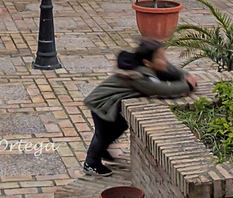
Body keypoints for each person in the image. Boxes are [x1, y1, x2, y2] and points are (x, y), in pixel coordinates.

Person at [81, 39, 197, 176]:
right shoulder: (138, 77)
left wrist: (184, 75)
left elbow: (169, 68)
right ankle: (91, 163)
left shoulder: (150, 65)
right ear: (147, 63)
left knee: (118, 128)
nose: (165, 61)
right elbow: (160, 89)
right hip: (102, 105)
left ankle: (103, 150)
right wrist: (187, 85)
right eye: (161, 57)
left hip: (114, 104)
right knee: (103, 134)